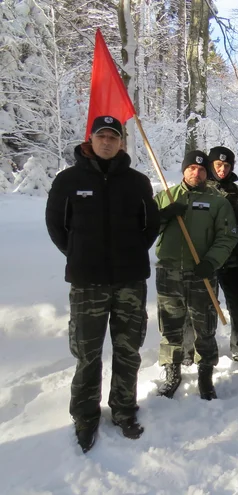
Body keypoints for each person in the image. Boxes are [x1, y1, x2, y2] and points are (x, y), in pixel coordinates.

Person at [45, 115, 160, 452]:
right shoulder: (68, 180)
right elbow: (56, 225)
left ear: (121, 142)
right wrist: (79, 253)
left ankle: (124, 409)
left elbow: (149, 225)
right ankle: (85, 415)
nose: (107, 141)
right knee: (87, 353)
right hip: (87, 282)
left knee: (128, 350)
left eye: (114, 136)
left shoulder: (138, 182)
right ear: (91, 140)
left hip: (130, 280)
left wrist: (132, 251)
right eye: (102, 136)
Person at [154, 150, 238, 401]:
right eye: (191, 168)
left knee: (205, 326)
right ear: (183, 170)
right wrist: (164, 215)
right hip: (168, 272)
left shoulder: (218, 201)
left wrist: (212, 261)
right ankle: (172, 372)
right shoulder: (165, 197)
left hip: (201, 274)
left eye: (201, 170)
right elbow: (144, 229)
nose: (196, 173)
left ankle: (205, 374)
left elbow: (228, 236)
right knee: (170, 326)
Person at [205, 146, 238, 363]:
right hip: (204, 261)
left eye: (226, 165)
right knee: (200, 307)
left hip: (233, 260)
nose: (222, 169)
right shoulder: (199, 188)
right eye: (218, 165)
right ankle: (198, 349)